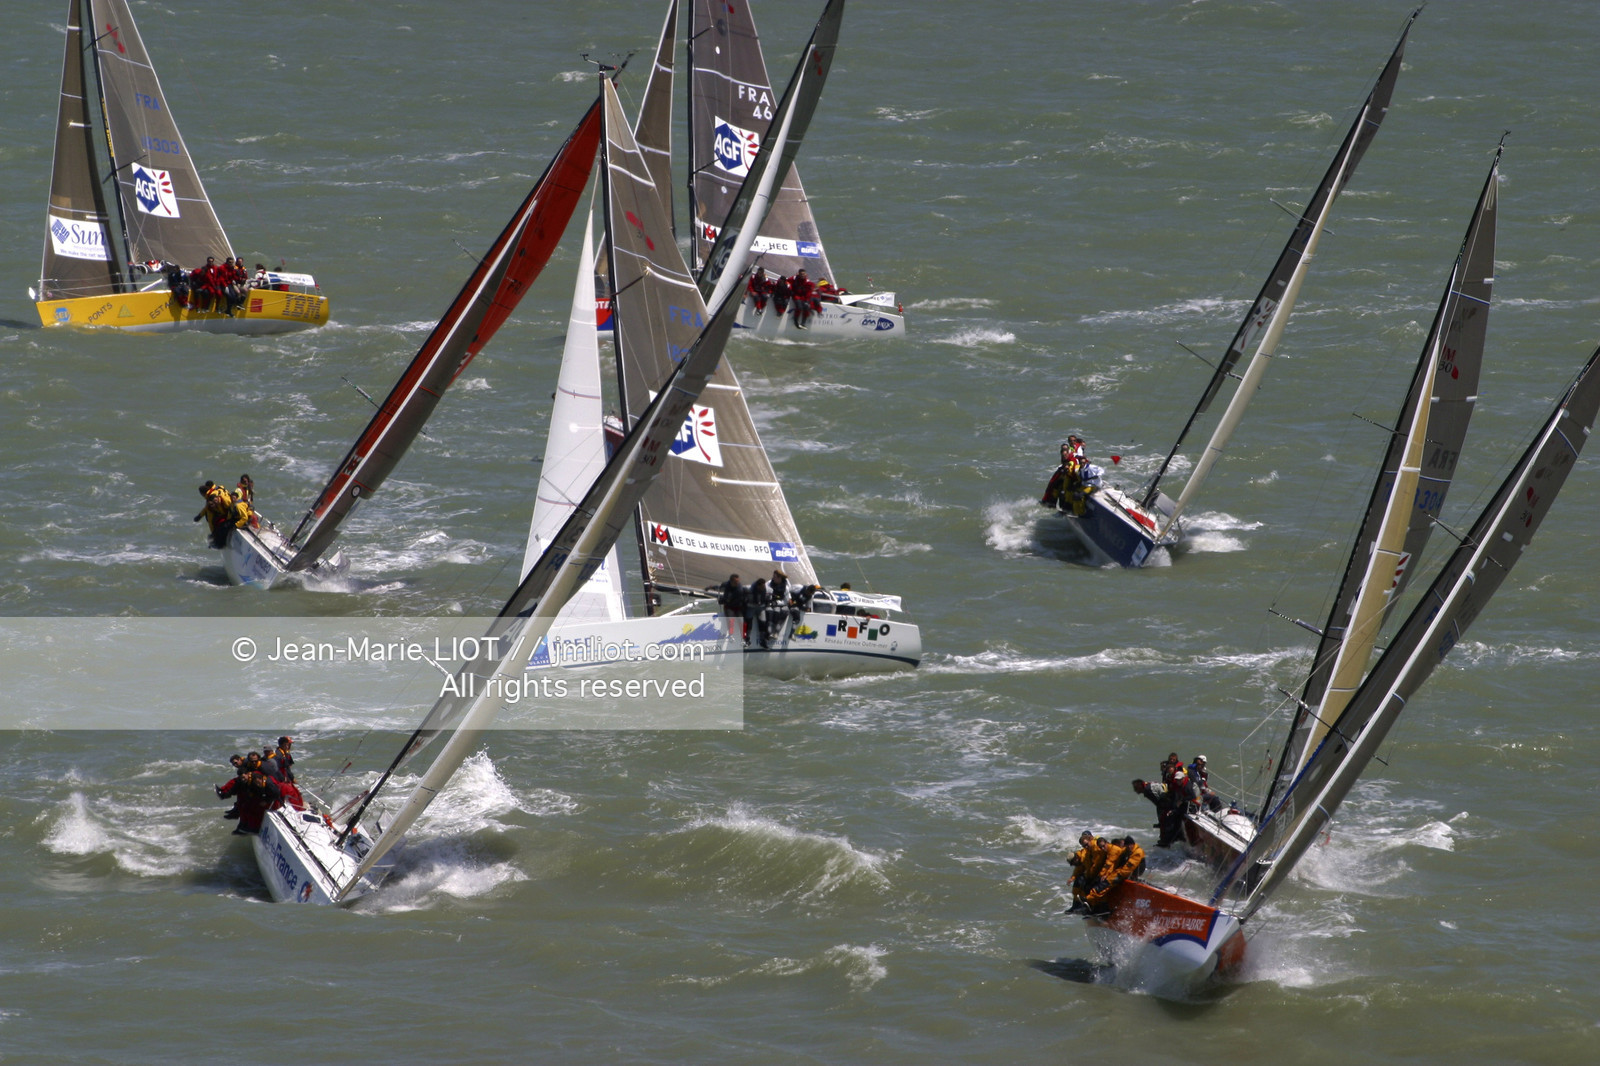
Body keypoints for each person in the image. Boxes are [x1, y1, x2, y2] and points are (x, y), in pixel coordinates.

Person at [709, 574, 748, 641]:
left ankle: (744, 636)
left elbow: (729, 599)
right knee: (731, 619)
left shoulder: (739, 589)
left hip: (738, 606)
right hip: (729, 607)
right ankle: (731, 635)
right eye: (736, 582)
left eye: (738, 581)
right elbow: (719, 587)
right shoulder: (726, 584)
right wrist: (711, 587)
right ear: (731, 581)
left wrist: (722, 600)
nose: (738, 583)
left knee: (741, 621)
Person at [765, 570, 790, 646]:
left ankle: (776, 632)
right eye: (773, 576)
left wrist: (777, 603)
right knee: (770, 611)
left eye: (775, 577)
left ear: (780, 578)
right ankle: (768, 633)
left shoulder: (785, 587)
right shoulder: (769, 584)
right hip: (769, 603)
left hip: (779, 604)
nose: (773, 578)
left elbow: (786, 600)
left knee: (781, 611)